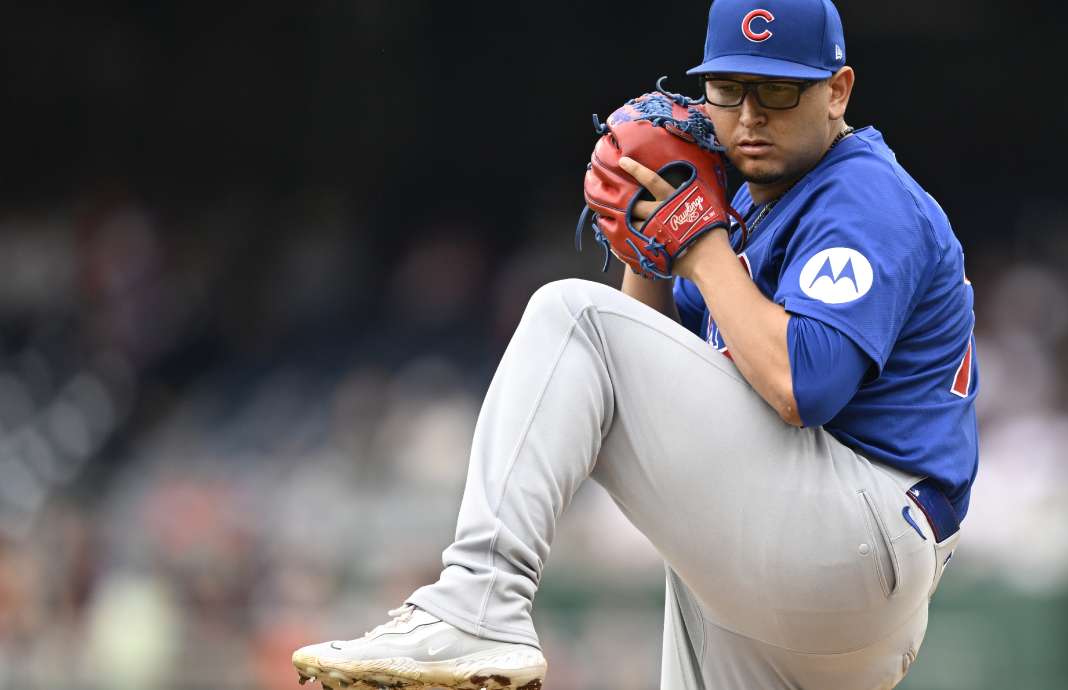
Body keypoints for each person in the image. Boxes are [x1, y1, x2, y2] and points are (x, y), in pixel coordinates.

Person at [291, 0, 978, 688]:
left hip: (859, 535)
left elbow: (804, 385)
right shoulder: (746, 208)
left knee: (569, 313)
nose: (748, 116)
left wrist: (700, 244)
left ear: (837, 91)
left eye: (776, 90)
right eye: (727, 90)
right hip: (814, 580)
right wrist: (648, 240)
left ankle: (478, 602)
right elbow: (634, 390)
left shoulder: (864, 194)